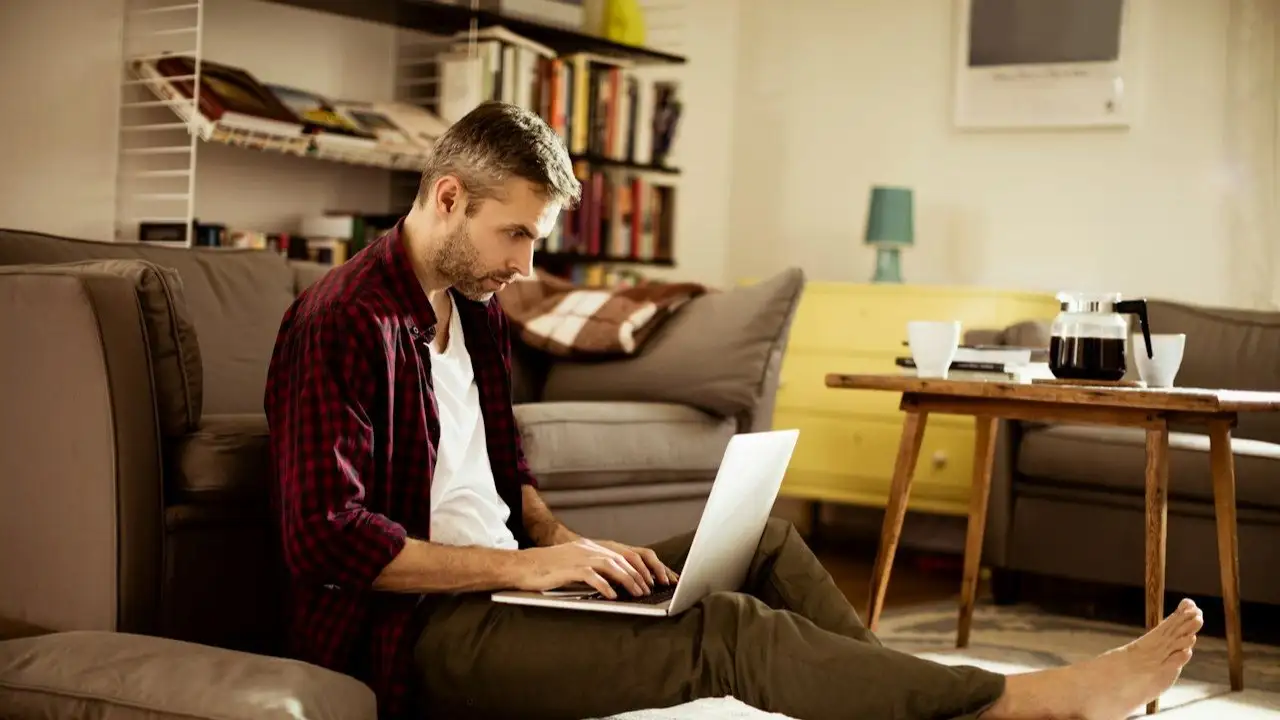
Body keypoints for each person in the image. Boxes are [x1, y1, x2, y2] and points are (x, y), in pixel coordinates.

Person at [264, 101, 1204, 720]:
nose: (525, 265)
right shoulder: (341, 321)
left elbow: (503, 473)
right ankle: (1012, 705)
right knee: (728, 634)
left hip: (511, 584)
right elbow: (330, 543)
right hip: (425, 639)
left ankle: (902, 701)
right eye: (515, 234)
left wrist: (572, 548)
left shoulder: (474, 313)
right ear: (447, 196)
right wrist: (528, 566)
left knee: (769, 545)